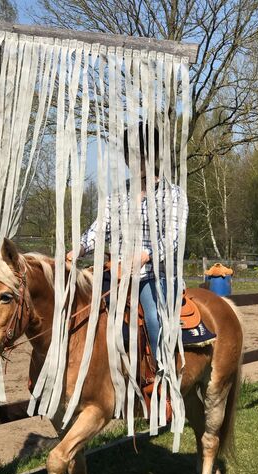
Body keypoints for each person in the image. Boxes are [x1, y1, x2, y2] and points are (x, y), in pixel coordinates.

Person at [66, 124, 188, 362]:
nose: (130, 160)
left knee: (153, 318)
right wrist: (78, 249)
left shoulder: (173, 194)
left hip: (154, 276)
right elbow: (100, 228)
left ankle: (164, 375)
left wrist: (146, 255)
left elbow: (174, 238)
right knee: (83, 309)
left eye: (137, 155)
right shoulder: (119, 195)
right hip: (118, 274)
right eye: (127, 154)